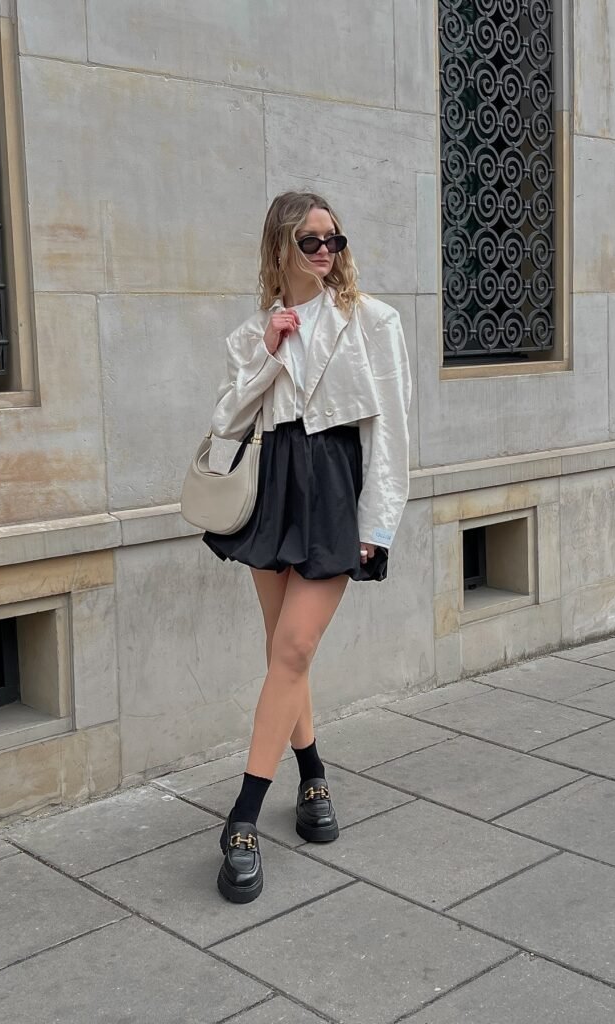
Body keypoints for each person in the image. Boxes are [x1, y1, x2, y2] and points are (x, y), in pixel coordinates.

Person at [202, 190, 412, 903]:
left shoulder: (371, 320)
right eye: (311, 241)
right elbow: (226, 420)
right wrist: (267, 352)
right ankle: (313, 774)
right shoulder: (251, 332)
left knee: (292, 650)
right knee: (282, 656)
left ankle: (241, 820)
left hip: (332, 493)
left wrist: (375, 527)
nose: (326, 252)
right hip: (271, 491)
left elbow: (390, 433)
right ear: (279, 249)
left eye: (334, 240)